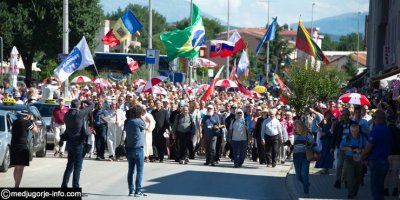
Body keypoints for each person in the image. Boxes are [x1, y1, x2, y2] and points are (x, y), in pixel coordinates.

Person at [61, 99, 94, 188]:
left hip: (70, 142)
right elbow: (92, 105)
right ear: (78, 106)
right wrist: (84, 100)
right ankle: (75, 186)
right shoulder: (79, 114)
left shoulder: (66, 115)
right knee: (77, 167)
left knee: (69, 166)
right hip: (78, 143)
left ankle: (64, 185)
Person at [361, 110, 391, 200]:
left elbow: (368, 147)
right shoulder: (387, 130)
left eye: (374, 117)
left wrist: (362, 157)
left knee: (376, 189)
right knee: (380, 188)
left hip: (377, 162)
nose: (373, 119)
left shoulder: (376, 130)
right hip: (385, 161)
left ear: (376, 119)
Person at [10, 111, 38, 188]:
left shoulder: (15, 122)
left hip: (13, 146)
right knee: (20, 168)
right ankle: (17, 185)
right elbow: (36, 131)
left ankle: (16, 184)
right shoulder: (27, 123)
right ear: (28, 115)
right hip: (22, 146)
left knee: (16, 167)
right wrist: (32, 121)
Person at [125, 105, 147, 197]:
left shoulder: (128, 122)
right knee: (139, 171)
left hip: (129, 148)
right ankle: (138, 191)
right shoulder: (138, 121)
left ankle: (131, 190)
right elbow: (145, 125)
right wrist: (141, 117)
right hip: (138, 148)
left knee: (131, 170)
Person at [331, 108, 357, 189]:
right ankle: (338, 180)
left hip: (350, 147)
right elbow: (334, 136)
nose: (344, 116)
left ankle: (345, 180)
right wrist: (332, 147)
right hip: (341, 147)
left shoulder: (353, 124)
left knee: (347, 165)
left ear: (349, 115)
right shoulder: (339, 124)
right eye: (343, 115)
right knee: (339, 165)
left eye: (346, 115)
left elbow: (358, 134)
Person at [292, 120, 317, 198]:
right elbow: (294, 146)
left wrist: (315, 151)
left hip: (305, 157)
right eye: (295, 126)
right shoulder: (295, 135)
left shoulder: (307, 134)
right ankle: (306, 184)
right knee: (298, 177)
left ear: (301, 126)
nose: (295, 127)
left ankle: (306, 193)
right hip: (296, 157)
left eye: (297, 126)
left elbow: (314, 144)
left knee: (304, 174)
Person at [340, 124, 366, 199]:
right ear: (350, 131)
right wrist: (348, 148)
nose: (353, 133)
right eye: (352, 131)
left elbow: (367, 148)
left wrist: (360, 150)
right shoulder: (347, 137)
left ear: (358, 130)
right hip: (349, 158)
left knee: (358, 177)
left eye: (355, 131)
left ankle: (355, 191)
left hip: (359, 158)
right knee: (350, 176)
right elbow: (341, 147)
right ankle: (350, 193)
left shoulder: (362, 138)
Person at [384, 115, 400, 196]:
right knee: (395, 173)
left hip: (387, 154)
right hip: (397, 154)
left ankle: (386, 190)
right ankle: (395, 190)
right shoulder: (398, 130)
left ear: (388, 121)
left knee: (387, 172)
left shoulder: (385, 130)